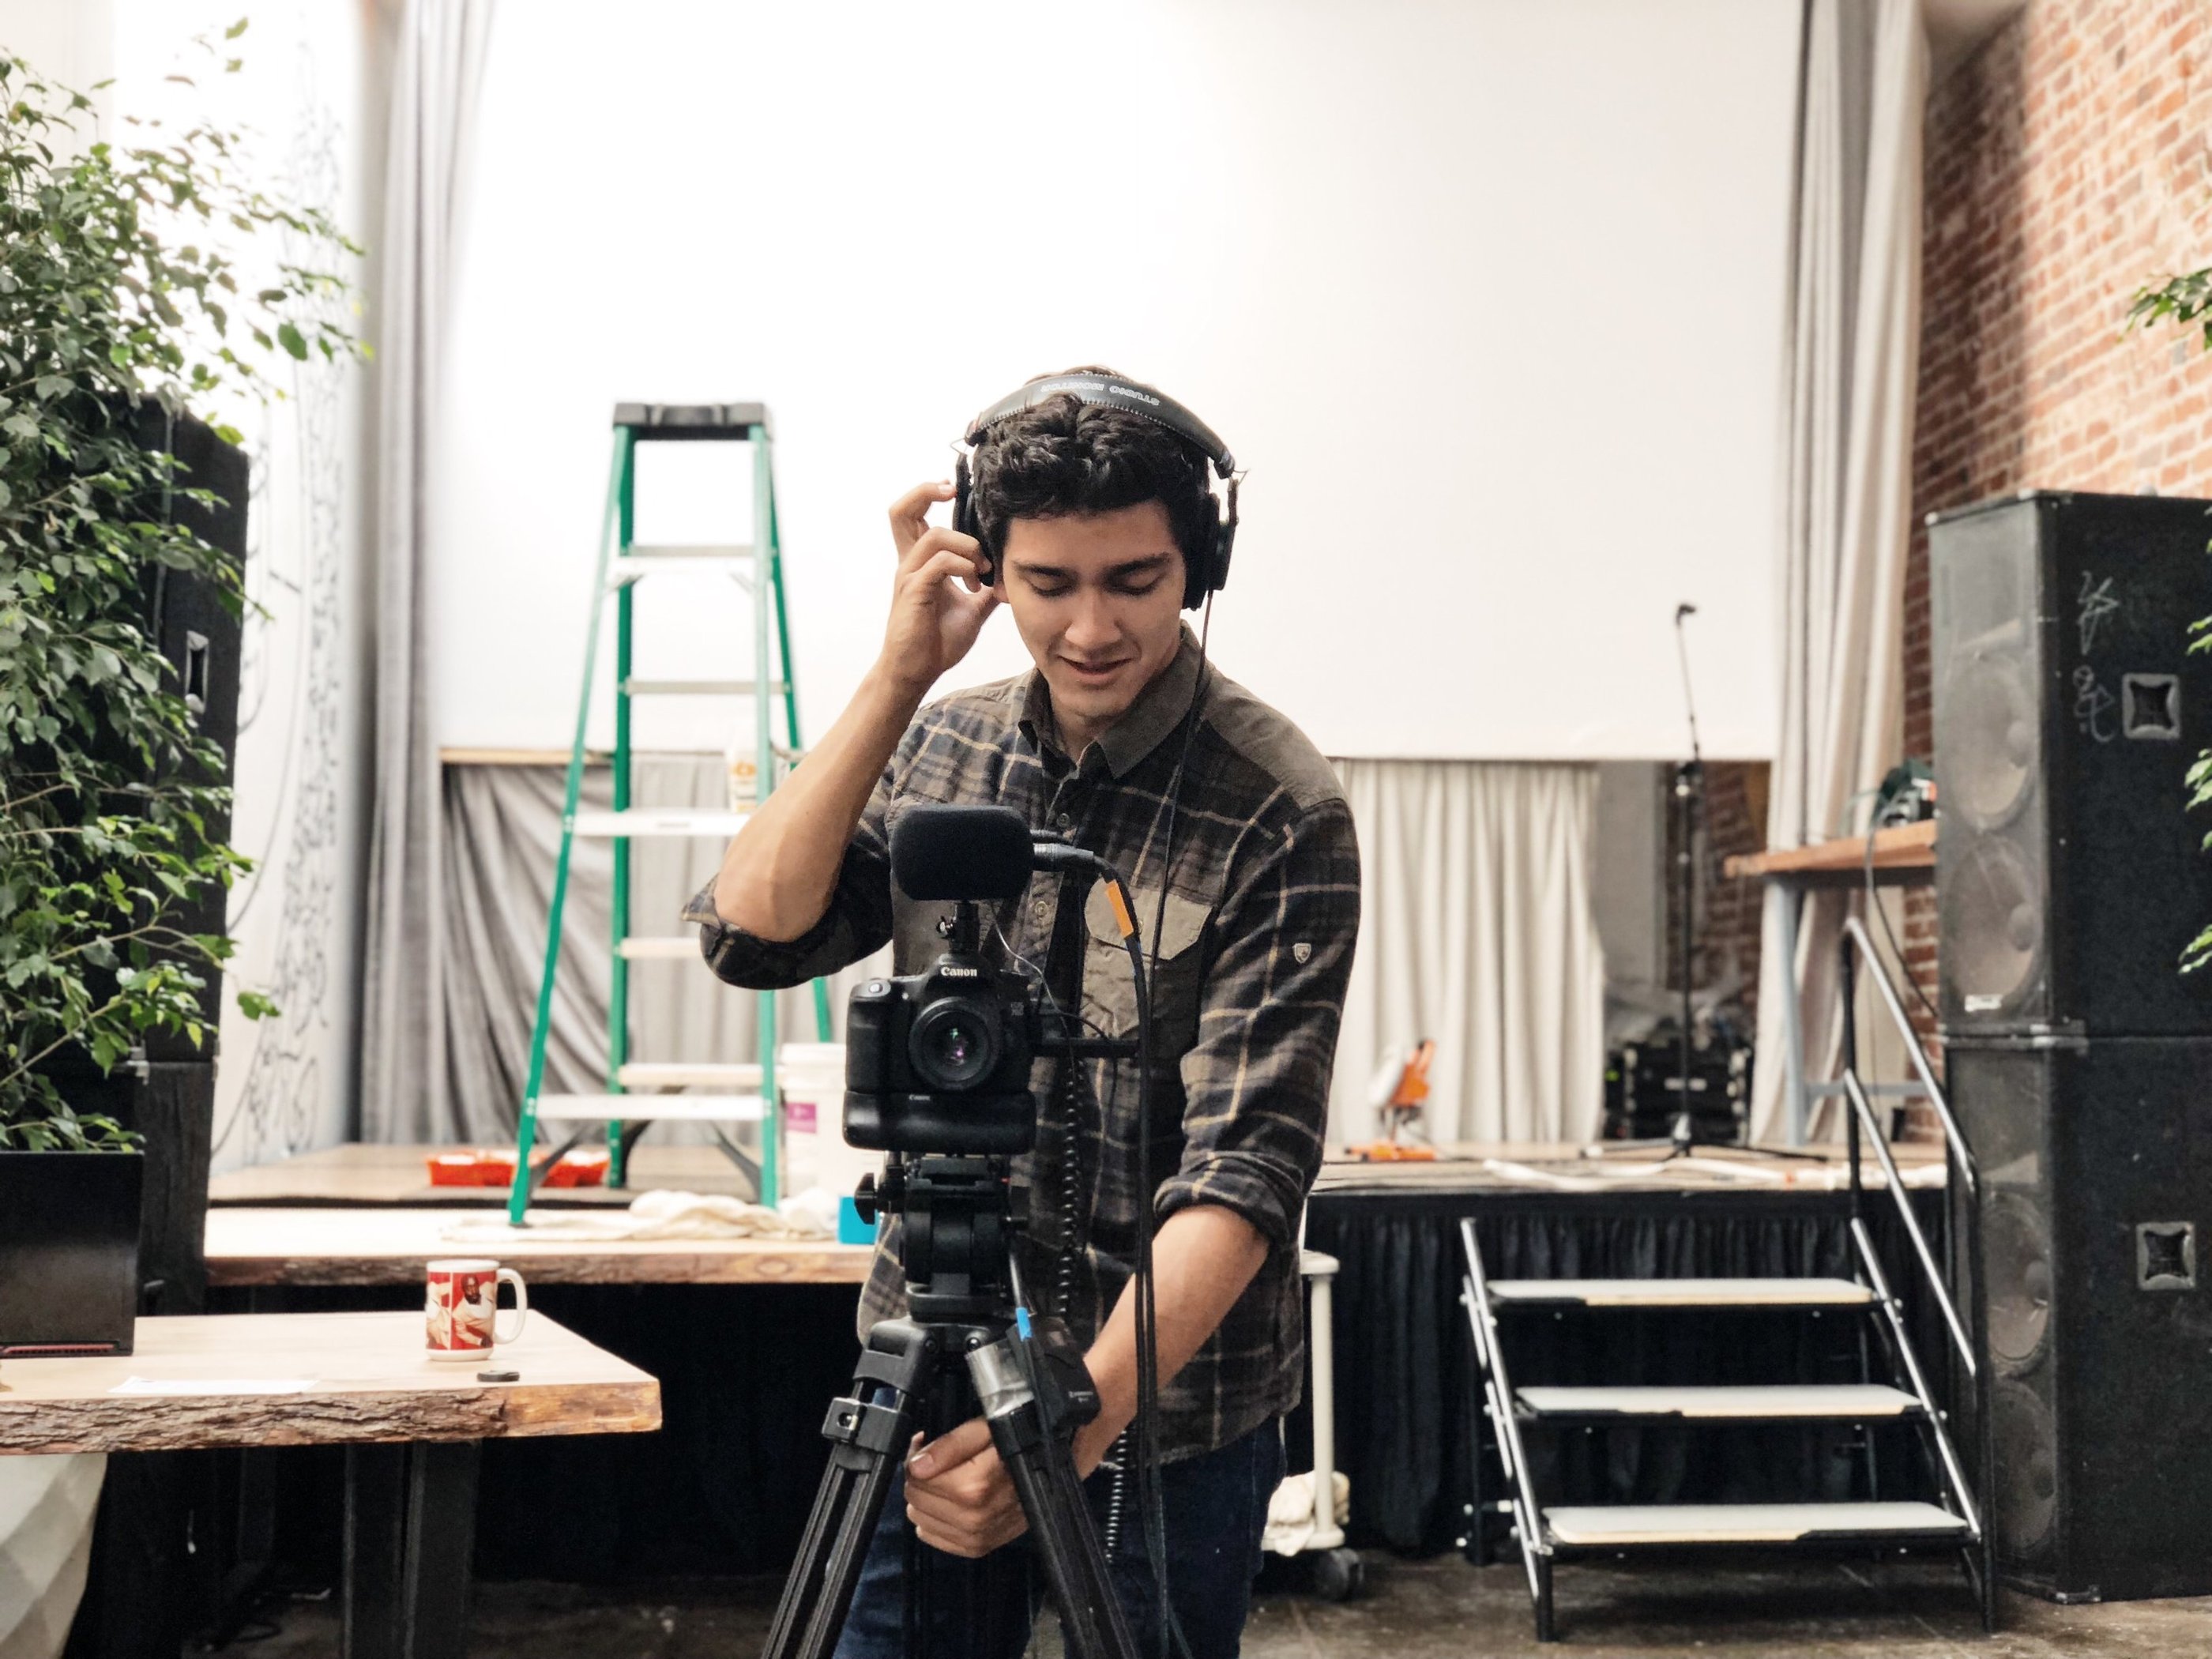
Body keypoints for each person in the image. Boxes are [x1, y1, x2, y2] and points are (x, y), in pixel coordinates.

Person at [686, 370, 1360, 1658]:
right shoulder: (946, 745)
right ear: (991, 569)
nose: (1092, 627)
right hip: (928, 1373)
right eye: (1049, 584)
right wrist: (897, 675)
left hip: (1167, 1416)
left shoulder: (1280, 805)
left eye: (1135, 581)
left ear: (1201, 567)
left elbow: (1247, 1168)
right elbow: (749, 934)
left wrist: (1073, 1425)